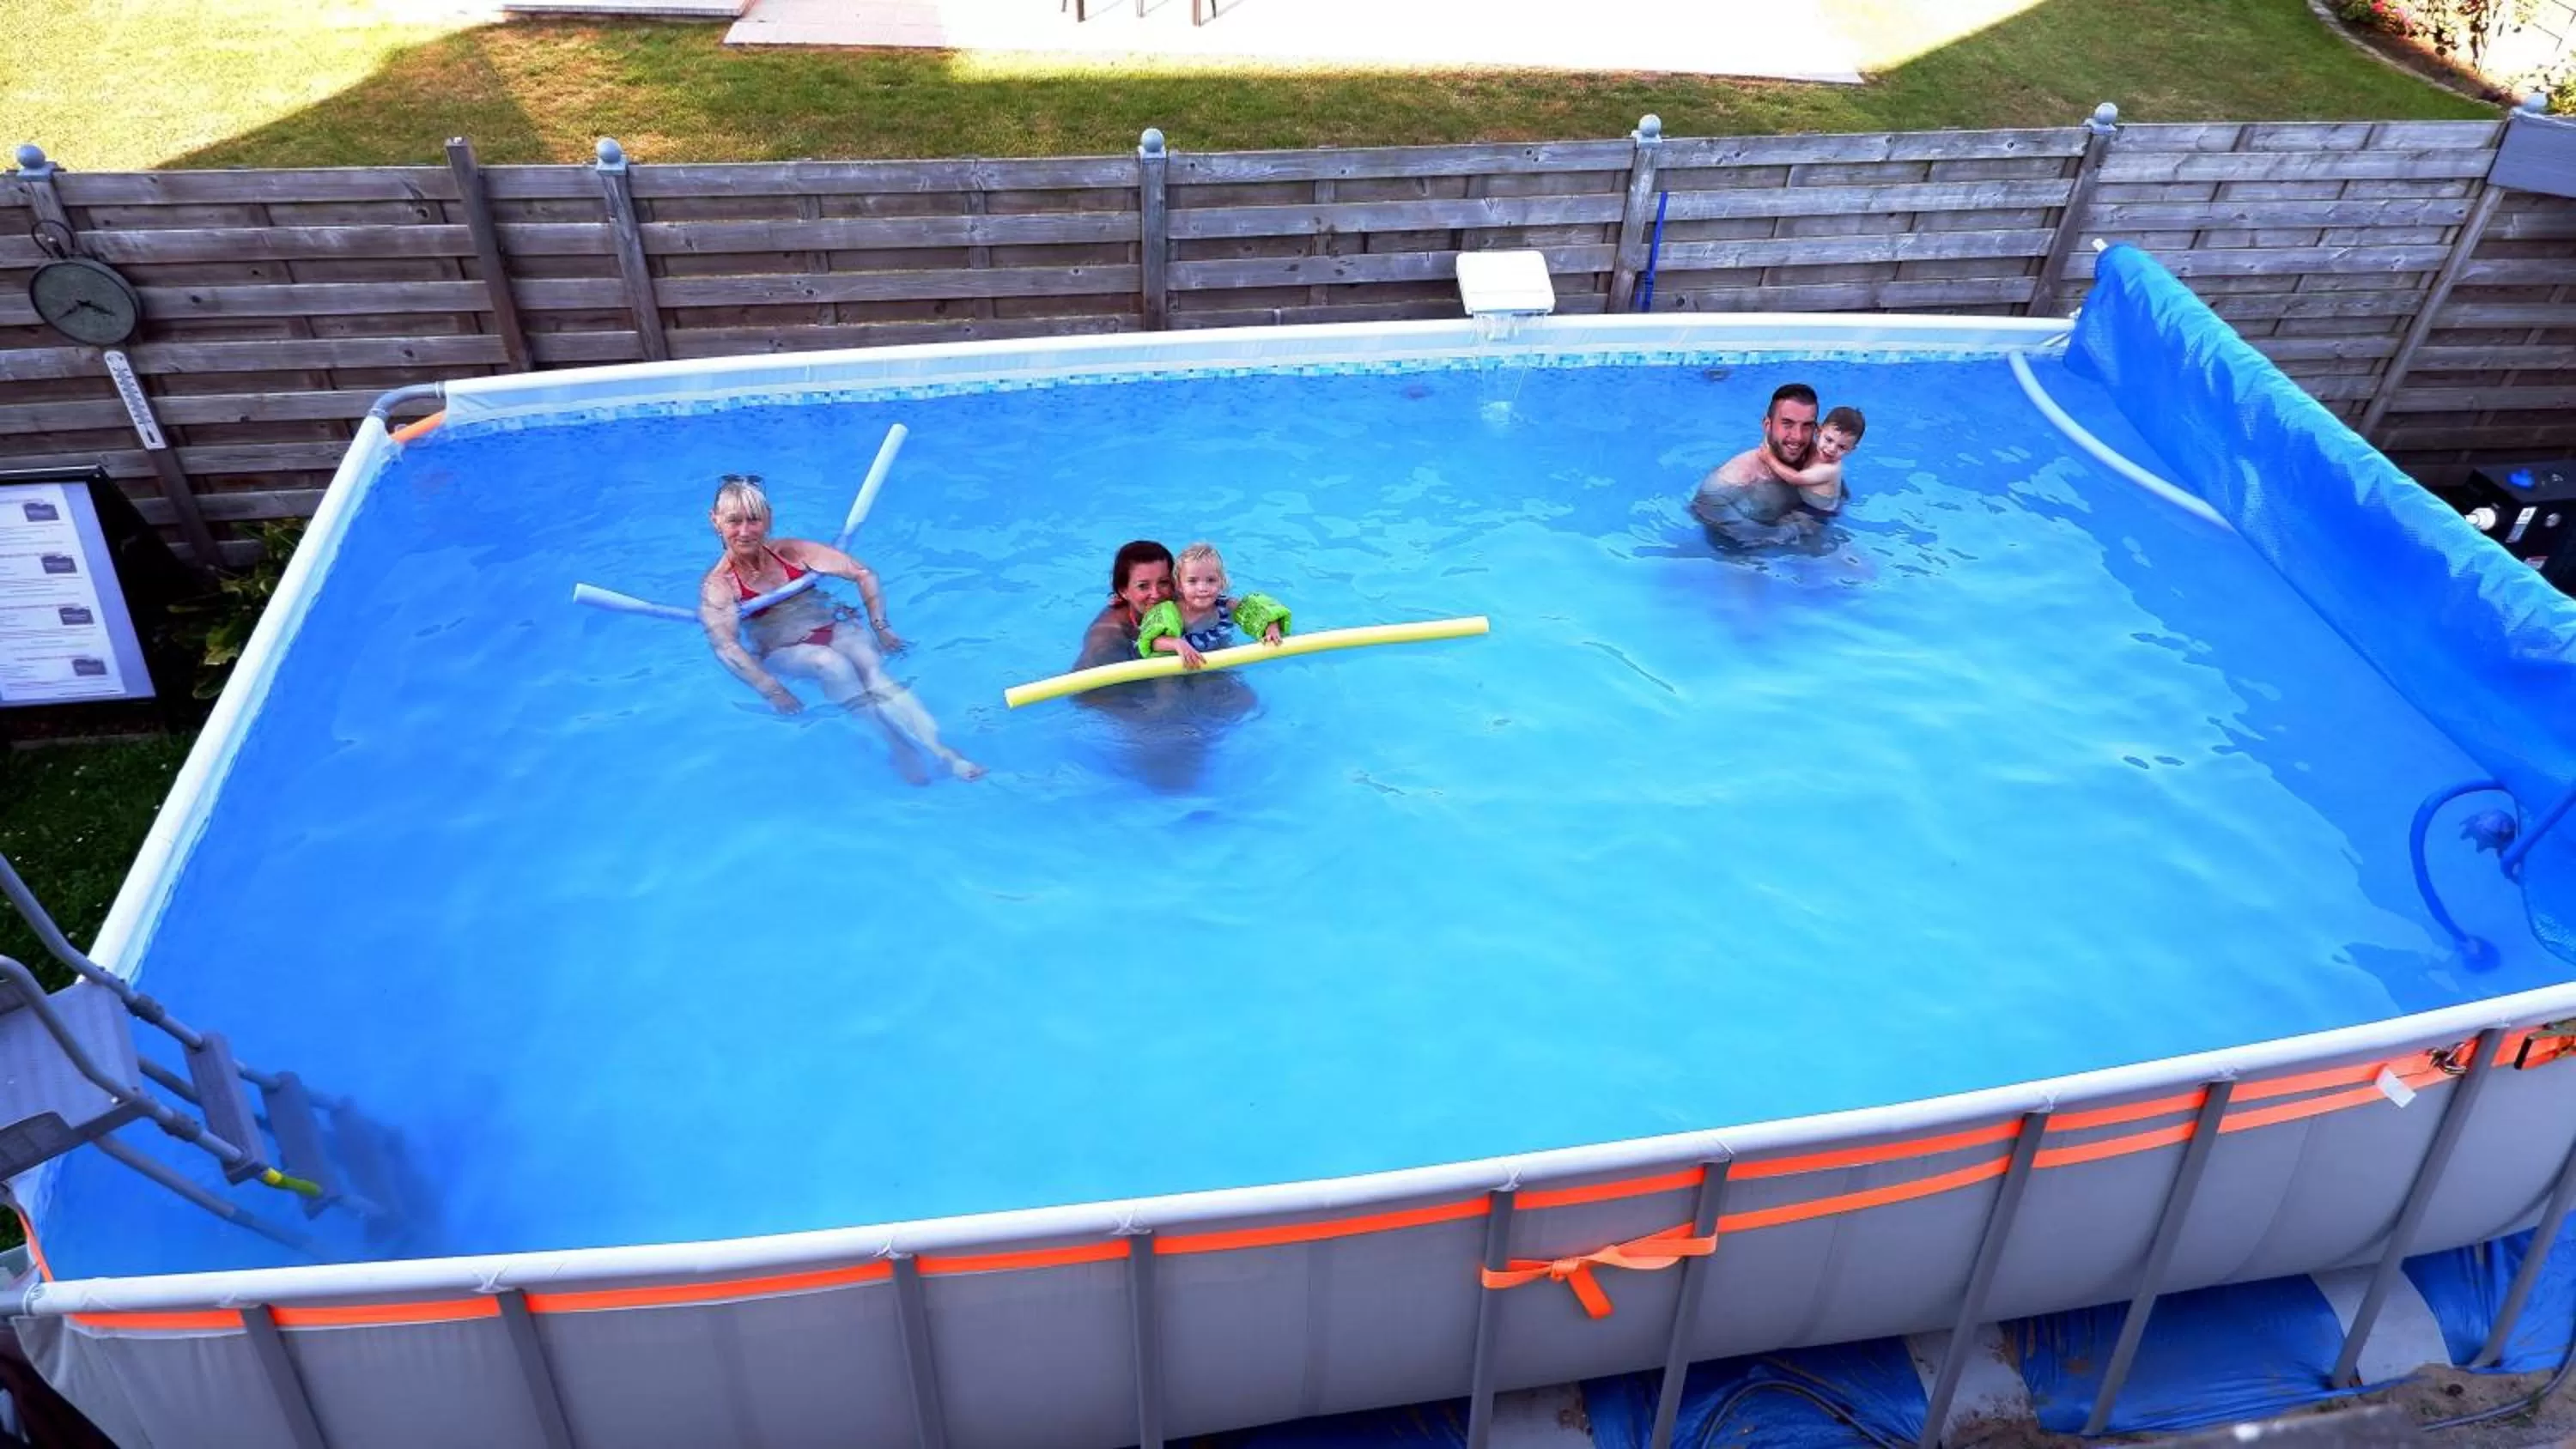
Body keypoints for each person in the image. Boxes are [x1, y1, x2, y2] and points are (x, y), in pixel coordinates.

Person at [696, 475, 981, 782]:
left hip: (830, 626)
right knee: (832, 664)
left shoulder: (792, 552)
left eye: (753, 520)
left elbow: (862, 573)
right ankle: (896, 744)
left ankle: (942, 751)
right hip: (783, 649)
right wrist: (772, 689)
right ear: (716, 521)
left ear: (768, 519)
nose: (744, 531)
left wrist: (880, 626)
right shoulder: (720, 586)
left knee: (872, 669)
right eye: (734, 521)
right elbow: (726, 646)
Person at [1691, 382, 1822, 550]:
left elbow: (1834, 503)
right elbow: (1704, 508)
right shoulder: (1736, 476)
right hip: (1741, 555)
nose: (1797, 436)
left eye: (1807, 426)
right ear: (1767, 425)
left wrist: (1805, 519)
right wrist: (1792, 529)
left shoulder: (1818, 465)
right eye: (1787, 424)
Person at [1137, 542, 1290, 670]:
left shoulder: (1227, 606)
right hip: (1179, 667)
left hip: (1219, 663)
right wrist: (1177, 643)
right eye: (1192, 581)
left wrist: (1271, 629)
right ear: (1179, 585)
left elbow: (1261, 613)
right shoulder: (1171, 612)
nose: (1202, 588)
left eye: (1211, 580)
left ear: (1221, 582)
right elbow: (1152, 641)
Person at [1748, 404, 1865, 522]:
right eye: (1829, 440)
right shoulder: (1815, 448)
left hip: (1817, 513)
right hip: (1806, 499)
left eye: (1842, 447)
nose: (1832, 449)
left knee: (1779, 527)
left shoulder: (1830, 469)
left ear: (1851, 450)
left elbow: (1795, 478)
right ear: (1818, 432)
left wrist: (1769, 458)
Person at [1074, 540, 1176, 673]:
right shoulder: (1108, 638)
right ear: (1123, 591)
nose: (1156, 594)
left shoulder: (1185, 595)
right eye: (1143, 586)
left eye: (1163, 582)